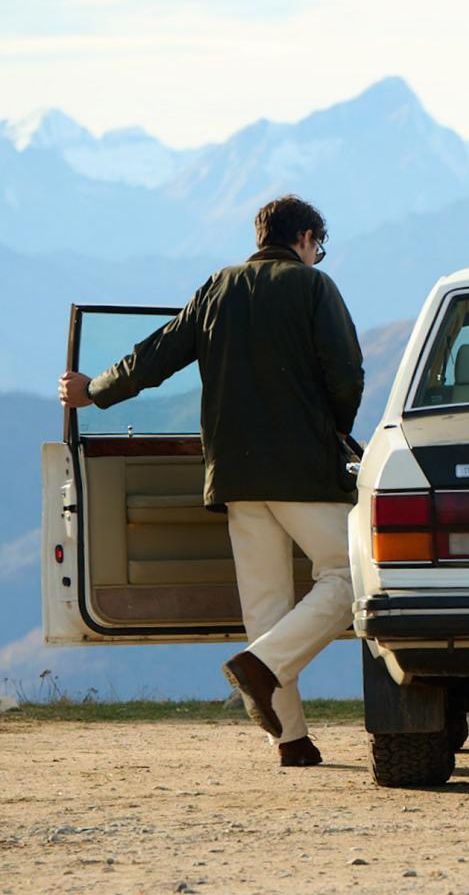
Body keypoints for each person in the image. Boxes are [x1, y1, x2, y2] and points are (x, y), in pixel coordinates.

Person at [59, 195, 364, 767]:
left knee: (267, 608)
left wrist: (92, 391)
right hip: (304, 471)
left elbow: (153, 358)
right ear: (303, 239)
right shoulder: (312, 288)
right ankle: (263, 668)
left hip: (235, 473)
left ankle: (291, 739)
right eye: (317, 247)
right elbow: (346, 375)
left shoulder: (216, 289)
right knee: (354, 575)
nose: (317, 256)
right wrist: (333, 432)